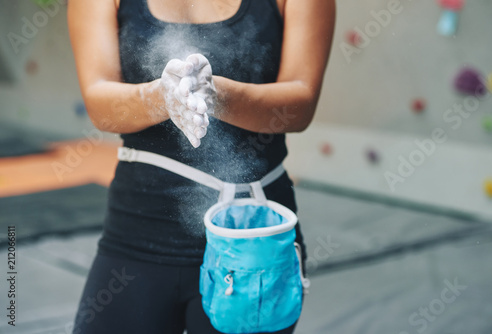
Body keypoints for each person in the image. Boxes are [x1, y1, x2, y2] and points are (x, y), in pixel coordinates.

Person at [67, 0, 336, 333]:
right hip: (138, 232)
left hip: (253, 237)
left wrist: (217, 95)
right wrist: (161, 97)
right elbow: (99, 101)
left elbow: (301, 103)